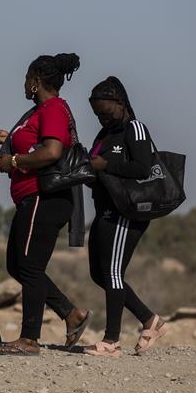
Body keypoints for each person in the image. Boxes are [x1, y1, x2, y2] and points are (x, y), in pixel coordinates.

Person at [0, 54, 92, 355]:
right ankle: (72, 314)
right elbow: (37, 142)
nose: (23, 84)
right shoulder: (39, 111)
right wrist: (8, 141)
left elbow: (51, 151)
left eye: (26, 78)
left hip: (43, 198)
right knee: (16, 264)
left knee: (30, 266)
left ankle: (29, 339)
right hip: (30, 198)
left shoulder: (53, 108)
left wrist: (14, 161)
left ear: (35, 81)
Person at [82, 76, 168, 356]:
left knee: (113, 272)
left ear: (120, 104)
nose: (102, 119)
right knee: (99, 273)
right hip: (104, 210)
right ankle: (149, 320)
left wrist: (106, 164)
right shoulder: (104, 135)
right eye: (97, 115)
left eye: (105, 112)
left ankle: (111, 341)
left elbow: (143, 167)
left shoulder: (136, 128)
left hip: (126, 212)